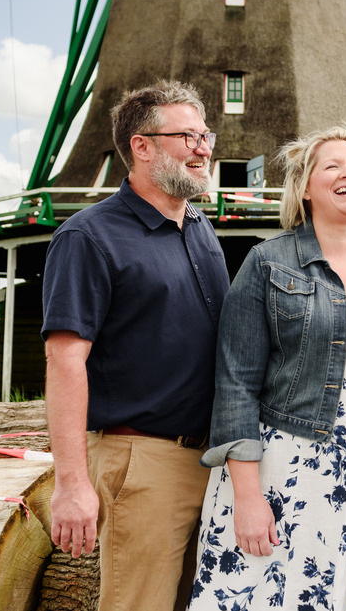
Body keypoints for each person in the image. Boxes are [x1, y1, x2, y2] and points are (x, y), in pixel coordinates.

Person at [189, 125, 346, 611]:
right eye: (332, 166)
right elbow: (236, 383)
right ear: (304, 186)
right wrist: (248, 498)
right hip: (292, 468)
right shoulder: (267, 263)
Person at [41, 81, 229, 611]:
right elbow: (65, 359)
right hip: (142, 462)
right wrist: (72, 483)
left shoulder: (199, 229)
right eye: (187, 135)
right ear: (142, 146)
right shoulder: (90, 237)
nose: (203, 146)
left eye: (205, 133)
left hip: (212, 460)